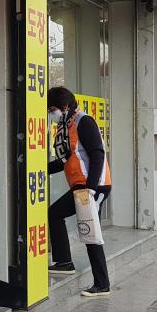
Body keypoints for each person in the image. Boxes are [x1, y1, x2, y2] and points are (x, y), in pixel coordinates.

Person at [46, 86, 112, 297]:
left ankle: (102, 285)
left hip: (93, 186)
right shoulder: (67, 125)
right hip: (80, 186)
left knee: (90, 232)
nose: (51, 113)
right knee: (55, 214)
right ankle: (64, 261)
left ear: (64, 106)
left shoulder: (84, 122)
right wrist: (41, 169)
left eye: (52, 109)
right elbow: (67, 159)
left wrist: (91, 189)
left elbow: (98, 154)